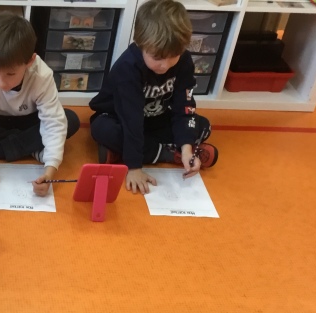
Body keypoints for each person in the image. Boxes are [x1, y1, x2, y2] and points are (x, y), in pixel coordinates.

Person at [88, 0, 219, 194]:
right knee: (103, 129)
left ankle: (132, 151)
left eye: (173, 56)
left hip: (155, 118)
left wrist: (186, 148)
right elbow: (131, 120)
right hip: (119, 118)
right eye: (157, 57)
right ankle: (167, 153)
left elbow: (185, 106)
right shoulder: (127, 68)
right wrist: (134, 167)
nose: (164, 65)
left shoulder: (184, 61)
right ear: (140, 44)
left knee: (203, 126)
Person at [0, 12, 80, 197]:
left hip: (29, 121)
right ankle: (30, 149)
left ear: (30, 61)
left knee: (70, 120)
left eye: (10, 74)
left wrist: (49, 171)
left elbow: (53, 121)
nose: (1, 83)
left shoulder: (42, 75)